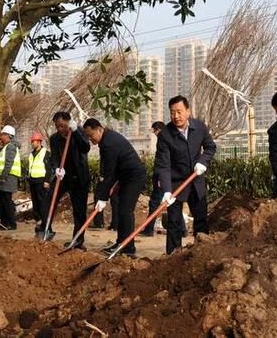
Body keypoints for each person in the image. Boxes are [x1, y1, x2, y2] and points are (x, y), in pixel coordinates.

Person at [155, 95, 217, 255]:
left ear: (188, 111)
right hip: (176, 184)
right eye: (172, 112)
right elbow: (163, 164)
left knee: (201, 219)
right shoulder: (165, 135)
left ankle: (202, 252)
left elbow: (210, 147)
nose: (176, 116)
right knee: (174, 222)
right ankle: (173, 256)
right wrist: (167, 191)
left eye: (179, 112)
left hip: (196, 181)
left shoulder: (200, 127)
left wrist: (203, 161)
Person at [83, 118, 146, 256]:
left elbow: (109, 174)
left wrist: (103, 197)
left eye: (91, 135)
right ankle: (120, 243)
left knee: (125, 210)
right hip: (123, 176)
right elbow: (107, 170)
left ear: (99, 129)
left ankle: (128, 249)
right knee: (121, 209)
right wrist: (102, 195)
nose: (90, 139)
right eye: (87, 136)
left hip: (134, 177)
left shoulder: (109, 143)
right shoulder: (105, 140)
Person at [48, 112, 90, 248]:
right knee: (48, 200)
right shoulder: (54, 138)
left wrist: (76, 131)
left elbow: (86, 148)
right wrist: (56, 168)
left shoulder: (79, 132)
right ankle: (45, 229)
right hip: (63, 175)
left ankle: (78, 240)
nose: (60, 129)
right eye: (57, 126)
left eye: (62, 126)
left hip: (79, 177)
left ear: (69, 123)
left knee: (79, 210)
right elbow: (54, 156)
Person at [140, 121, 166, 237]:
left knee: (154, 202)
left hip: (161, 177)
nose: (154, 133)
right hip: (164, 176)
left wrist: (161, 178)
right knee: (172, 202)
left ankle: (149, 229)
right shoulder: (167, 139)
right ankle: (182, 229)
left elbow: (163, 161)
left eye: (154, 130)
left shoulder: (163, 141)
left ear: (158, 129)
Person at [0, 125, 22, 230]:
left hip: (8, 177)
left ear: (8, 136)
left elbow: (8, 163)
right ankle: (4, 223)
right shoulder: (5, 147)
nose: (1, 137)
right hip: (4, 177)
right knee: (2, 201)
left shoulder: (11, 147)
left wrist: (3, 177)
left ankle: (11, 223)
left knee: (7, 201)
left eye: (2, 135)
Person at [27, 131, 51, 237]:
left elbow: (49, 168)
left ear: (39, 142)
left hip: (41, 182)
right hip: (33, 181)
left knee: (43, 205)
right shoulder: (31, 154)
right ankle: (39, 222)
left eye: (34, 141)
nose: (32, 143)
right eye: (32, 141)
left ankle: (46, 226)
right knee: (35, 205)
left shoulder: (45, 153)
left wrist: (47, 181)